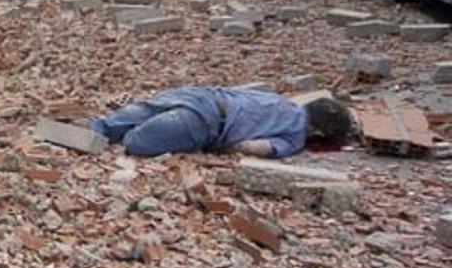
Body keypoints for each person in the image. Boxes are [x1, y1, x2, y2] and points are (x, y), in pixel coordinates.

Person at [88, 86, 353, 158]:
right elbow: (252, 147)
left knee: (109, 124)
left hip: (194, 95)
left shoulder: (280, 100)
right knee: (136, 142)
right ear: (317, 131)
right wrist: (226, 149)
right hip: (203, 122)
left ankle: (87, 128)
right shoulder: (295, 135)